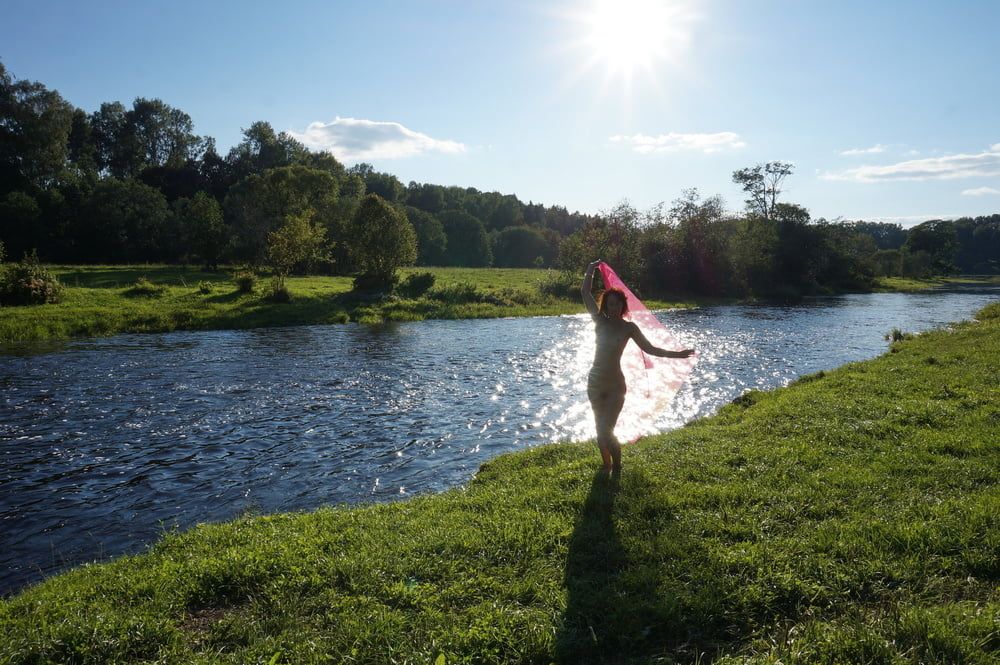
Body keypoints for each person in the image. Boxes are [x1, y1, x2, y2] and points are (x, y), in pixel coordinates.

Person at [582, 260, 694, 474]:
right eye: (609, 304)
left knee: (607, 430)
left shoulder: (629, 328)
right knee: (599, 431)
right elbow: (585, 292)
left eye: (617, 304)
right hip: (595, 383)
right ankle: (606, 466)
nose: (613, 308)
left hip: (616, 386)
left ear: (623, 307)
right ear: (605, 305)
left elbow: (651, 349)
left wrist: (677, 355)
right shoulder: (599, 321)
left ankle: (617, 467)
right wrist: (590, 270)